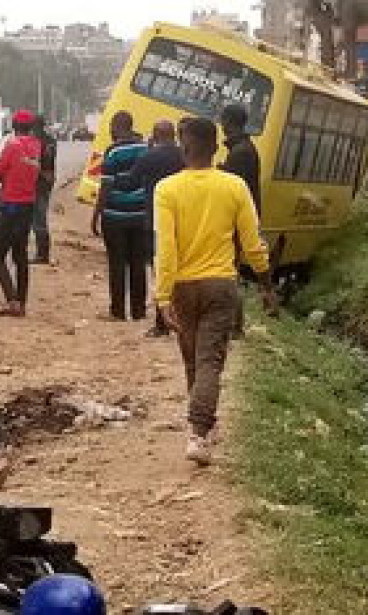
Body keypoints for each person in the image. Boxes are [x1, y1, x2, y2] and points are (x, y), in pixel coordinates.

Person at [155, 117, 277, 465]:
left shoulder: (166, 189)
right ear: (214, 147)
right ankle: (200, 432)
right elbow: (253, 243)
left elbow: (166, 248)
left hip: (182, 286)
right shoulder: (234, 187)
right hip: (221, 286)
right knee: (210, 360)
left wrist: (162, 296)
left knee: (193, 360)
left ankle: (200, 424)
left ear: (184, 146)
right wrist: (267, 286)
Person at [129, 120, 185, 337]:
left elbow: (132, 181)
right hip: (183, 219)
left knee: (161, 270)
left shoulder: (149, 156)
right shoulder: (184, 156)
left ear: (155, 134)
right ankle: (180, 317)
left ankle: (162, 322)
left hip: (156, 219)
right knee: (181, 269)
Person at [92, 110, 149, 321]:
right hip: (140, 214)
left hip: (115, 215)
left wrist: (96, 214)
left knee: (117, 263)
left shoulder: (113, 151)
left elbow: (106, 186)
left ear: (117, 126)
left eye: (112, 126)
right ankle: (139, 311)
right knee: (138, 263)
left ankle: (118, 311)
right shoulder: (145, 148)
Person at [219, 104, 262, 339]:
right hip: (240, 218)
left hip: (236, 220)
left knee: (230, 271)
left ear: (229, 122)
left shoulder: (241, 152)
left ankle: (235, 325)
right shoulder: (244, 148)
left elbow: (233, 189)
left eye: (223, 120)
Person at [0, 109, 42, 317]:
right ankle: (21, 302)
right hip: (28, 205)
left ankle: (12, 300)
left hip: (10, 205)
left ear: (14, 126)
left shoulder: (12, 146)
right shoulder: (36, 146)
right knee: (20, 255)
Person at [30, 115, 57, 264]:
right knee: (40, 218)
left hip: (40, 183)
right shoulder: (51, 141)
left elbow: (38, 164)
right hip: (47, 182)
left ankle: (42, 254)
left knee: (38, 220)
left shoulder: (37, 142)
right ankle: (43, 252)